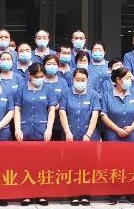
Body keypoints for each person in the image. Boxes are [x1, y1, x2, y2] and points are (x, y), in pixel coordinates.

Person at [14, 63, 56, 207]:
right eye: (36, 77)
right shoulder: (21, 89)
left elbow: (51, 110)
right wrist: (17, 128)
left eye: (42, 77)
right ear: (30, 76)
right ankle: (26, 194)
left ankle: (41, 194)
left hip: (42, 130)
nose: (39, 79)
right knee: (25, 163)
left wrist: (49, 129)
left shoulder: (48, 89)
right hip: (25, 130)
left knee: (42, 163)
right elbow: (17, 109)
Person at [59, 68, 99, 206]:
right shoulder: (66, 92)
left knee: (87, 165)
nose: (80, 82)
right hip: (70, 135)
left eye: (83, 80)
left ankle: (85, 193)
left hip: (88, 136)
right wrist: (67, 132)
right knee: (71, 165)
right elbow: (62, 112)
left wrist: (88, 134)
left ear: (87, 80)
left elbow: (95, 114)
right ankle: (73, 193)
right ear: (73, 79)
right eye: (77, 79)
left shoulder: (93, 94)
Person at [101, 67, 134, 205]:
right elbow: (103, 115)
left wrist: (132, 127)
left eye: (130, 78)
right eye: (127, 78)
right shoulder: (107, 95)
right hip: (113, 135)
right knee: (114, 164)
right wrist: (117, 129)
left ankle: (130, 193)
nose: (130, 80)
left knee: (131, 165)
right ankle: (114, 194)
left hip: (132, 136)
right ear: (118, 79)